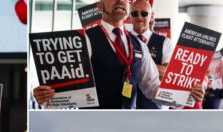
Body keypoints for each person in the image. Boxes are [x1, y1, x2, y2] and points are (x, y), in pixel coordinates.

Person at [33, 0, 204, 109]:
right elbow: (64, 90)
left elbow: (153, 90)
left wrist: (186, 95)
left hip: (128, 125)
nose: (120, 1)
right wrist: (46, 96)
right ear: (99, 6)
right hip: (93, 124)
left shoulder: (140, 46)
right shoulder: (84, 40)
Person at [129, 0, 174, 109]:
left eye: (144, 13)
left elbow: (167, 74)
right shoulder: (123, 39)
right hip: (128, 103)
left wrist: (136, 64)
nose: (139, 17)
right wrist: (157, 68)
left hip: (154, 105)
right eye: (135, 13)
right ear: (129, 16)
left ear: (151, 15)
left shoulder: (165, 42)